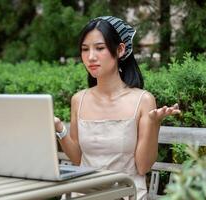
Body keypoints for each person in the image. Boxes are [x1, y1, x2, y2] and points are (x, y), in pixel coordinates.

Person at [54, 16, 180, 200]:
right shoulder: (78, 100)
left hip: (125, 193)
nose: (90, 57)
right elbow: (77, 158)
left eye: (99, 48)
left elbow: (143, 167)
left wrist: (153, 124)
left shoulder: (143, 100)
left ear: (120, 49)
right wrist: (59, 128)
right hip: (84, 193)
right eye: (84, 49)